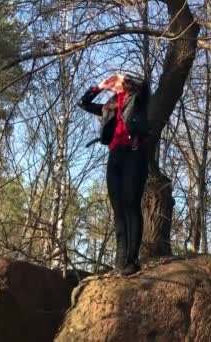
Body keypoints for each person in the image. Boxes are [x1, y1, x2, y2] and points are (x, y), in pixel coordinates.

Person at [78, 73, 150, 275]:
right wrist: (99, 87)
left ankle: (131, 260)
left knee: (131, 204)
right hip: (115, 155)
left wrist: (122, 79)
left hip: (134, 154)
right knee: (118, 208)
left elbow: (143, 85)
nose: (116, 84)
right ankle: (120, 262)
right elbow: (83, 103)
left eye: (121, 82)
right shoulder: (108, 107)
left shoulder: (138, 99)